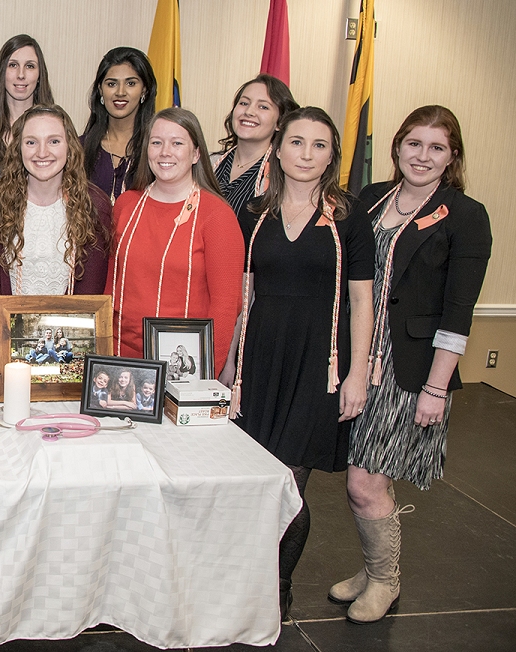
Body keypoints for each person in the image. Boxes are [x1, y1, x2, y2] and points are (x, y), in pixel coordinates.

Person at [328, 105, 491, 624]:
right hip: (356, 357)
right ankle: (375, 566)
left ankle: (385, 579)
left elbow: (457, 311)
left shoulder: (465, 215)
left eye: (436, 147)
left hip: (407, 368)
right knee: (364, 479)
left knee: (365, 481)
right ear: (397, 147)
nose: (422, 156)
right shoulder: (371, 199)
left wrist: (436, 388)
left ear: (453, 157)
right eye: (414, 144)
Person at [220, 107, 374, 622]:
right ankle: (247, 576)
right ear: (278, 149)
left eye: (319, 145)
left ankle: (278, 588)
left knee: (289, 482)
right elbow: (245, 294)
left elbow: (361, 302)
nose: (306, 154)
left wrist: (357, 374)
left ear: (332, 155)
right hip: (261, 360)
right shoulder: (253, 215)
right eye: (297, 143)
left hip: (318, 365)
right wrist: (228, 367)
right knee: (254, 478)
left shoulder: (348, 220)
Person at [0, 105, 110, 381]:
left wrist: (58, 364)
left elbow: (90, 297)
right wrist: (14, 351)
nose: (42, 152)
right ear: (18, 148)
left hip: (66, 358)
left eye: (53, 141)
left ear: (70, 147)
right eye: (31, 142)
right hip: (1, 350)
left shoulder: (95, 206)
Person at [106, 108, 244, 373]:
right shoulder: (126, 204)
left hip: (180, 366)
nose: (164, 152)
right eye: (156, 143)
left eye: (177, 143)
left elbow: (226, 307)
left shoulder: (216, 216)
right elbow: (110, 284)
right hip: (119, 357)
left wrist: (204, 376)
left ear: (196, 153)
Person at [0, 34, 54, 192]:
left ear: (40, 74)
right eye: (13, 65)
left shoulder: (56, 129)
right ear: (2, 72)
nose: (21, 75)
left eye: (30, 66)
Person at [211, 74, 299, 217]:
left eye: (263, 107)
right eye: (244, 103)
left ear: (280, 122)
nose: (249, 112)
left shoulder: (282, 176)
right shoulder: (209, 163)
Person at [79, 47, 157, 207]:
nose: (120, 92)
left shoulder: (157, 150)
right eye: (112, 84)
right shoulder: (79, 148)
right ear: (100, 90)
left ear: (144, 89)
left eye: (131, 83)